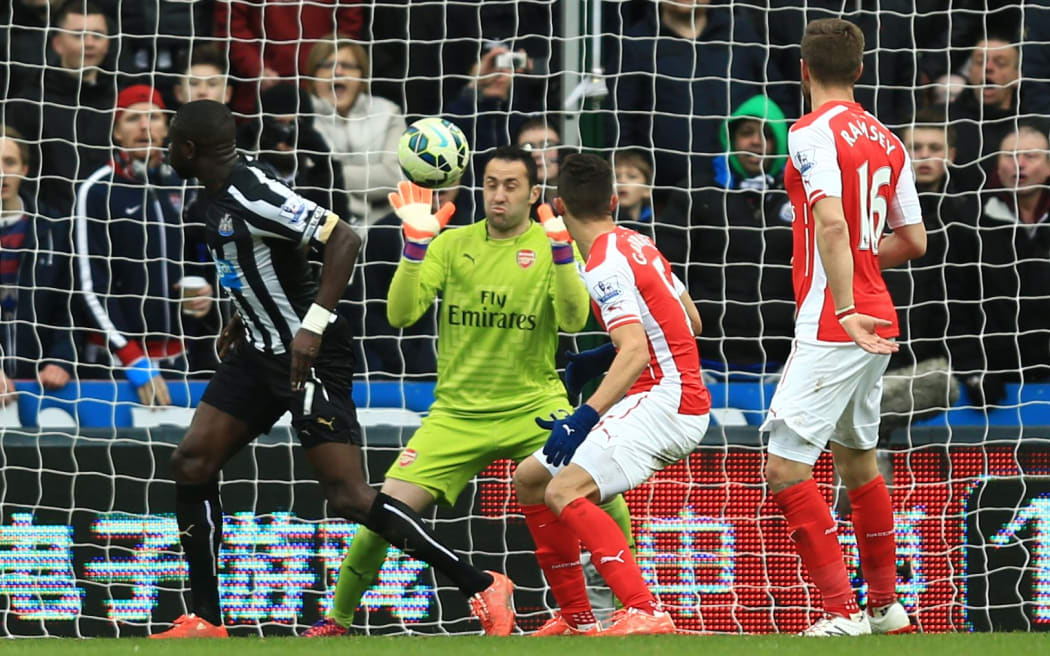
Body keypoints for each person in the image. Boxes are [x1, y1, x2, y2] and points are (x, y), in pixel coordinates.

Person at [152, 100, 514, 639]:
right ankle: (205, 620)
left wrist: (312, 326)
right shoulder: (211, 194)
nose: (164, 149)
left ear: (187, 149)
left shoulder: (254, 192)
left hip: (310, 355)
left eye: (170, 141)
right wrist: (241, 312)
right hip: (257, 349)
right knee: (192, 462)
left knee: (347, 496)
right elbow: (265, 263)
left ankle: (481, 582)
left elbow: (345, 237)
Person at [303, 145, 634, 637]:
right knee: (382, 511)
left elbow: (571, 320)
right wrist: (415, 246)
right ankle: (338, 619)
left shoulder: (550, 247)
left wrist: (564, 252)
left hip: (534, 407)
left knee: (605, 493)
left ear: (534, 194)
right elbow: (399, 314)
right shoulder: (451, 245)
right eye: (491, 185)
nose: (498, 196)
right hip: (456, 415)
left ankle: (632, 604)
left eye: (511, 186)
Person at [759, 19, 927, 636]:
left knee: (785, 466)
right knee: (857, 461)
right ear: (859, 71)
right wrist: (861, 266)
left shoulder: (809, 131)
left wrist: (846, 297)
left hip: (840, 318)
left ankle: (840, 613)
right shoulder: (888, 139)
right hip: (879, 313)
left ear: (803, 70)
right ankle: (885, 607)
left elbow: (830, 222)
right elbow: (914, 239)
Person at [512, 152, 710, 637]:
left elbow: (637, 351)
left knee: (564, 489)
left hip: (668, 399)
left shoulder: (601, 265)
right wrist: (599, 357)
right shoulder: (638, 242)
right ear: (614, 201)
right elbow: (693, 322)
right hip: (670, 391)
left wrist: (583, 416)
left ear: (557, 207)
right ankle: (578, 619)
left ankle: (644, 610)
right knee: (531, 479)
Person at [75, 84, 212, 406]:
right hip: (114, 361)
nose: (143, 126)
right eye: (132, 118)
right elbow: (89, 285)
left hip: (181, 356)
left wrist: (207, 291)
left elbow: (202, 257)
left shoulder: (186, 182)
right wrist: (130, 355)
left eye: (152, 117)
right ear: (117, 132)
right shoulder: (96, 190)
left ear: (166, 128)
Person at [2, 0, 116, 216]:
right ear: (57, 44)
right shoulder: (29, 103)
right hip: (51, 227)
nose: (89, 43)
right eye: (78, 35)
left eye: (98, 35)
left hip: (112, 221)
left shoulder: (120, 100)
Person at [0, 125, 79, 404]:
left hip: (42, 384)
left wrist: (62, 357)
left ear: (24, 168)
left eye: (9, 162)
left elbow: (69, 305)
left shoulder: (52, 229)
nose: (1, 172)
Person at [305, 37, 405, 226]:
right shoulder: (301, 117)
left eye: (348, 65)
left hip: (385, 225)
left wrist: (332, 173)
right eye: (327, 65)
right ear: (313, 76)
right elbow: (306, 178)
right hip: (324, 226)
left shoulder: (389, 112)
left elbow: (395, 177)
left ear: (361, 77)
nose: (338, 71)